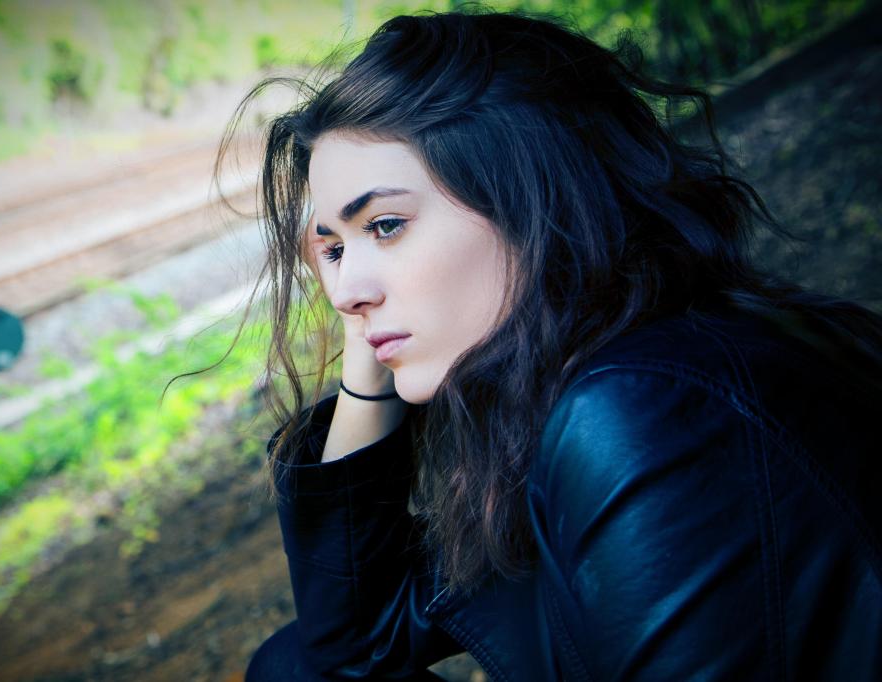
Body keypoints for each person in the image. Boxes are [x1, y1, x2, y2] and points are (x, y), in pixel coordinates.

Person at [210, 9, 882, 681]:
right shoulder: (568, 383)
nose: (344, 291)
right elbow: (354, 642)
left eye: (385, 225)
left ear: (531, 201)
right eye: (332, 247)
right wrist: (368, 359)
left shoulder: (644, 411)